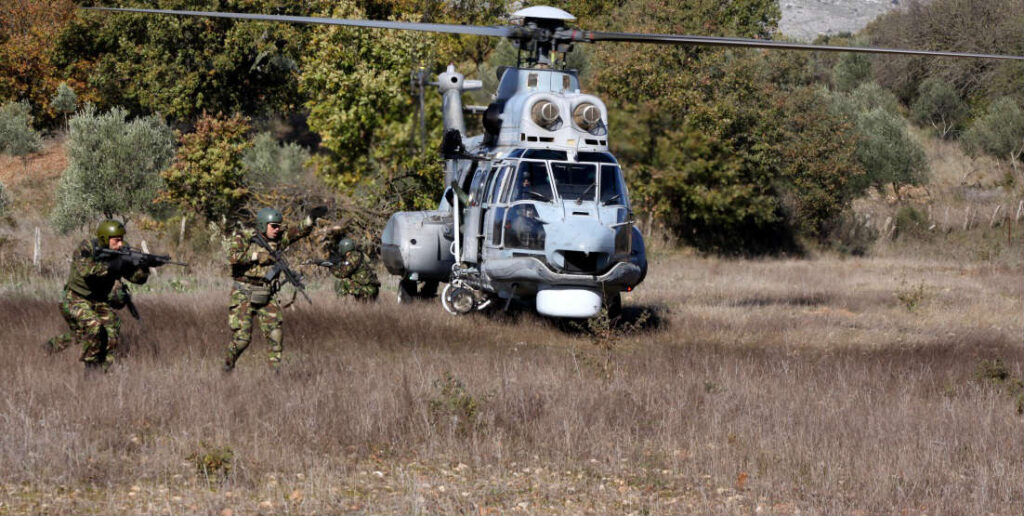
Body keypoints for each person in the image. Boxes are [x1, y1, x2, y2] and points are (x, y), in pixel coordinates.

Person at [224, 206, 321, 372]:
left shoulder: (277, 241)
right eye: (273, 226)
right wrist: (256, 257)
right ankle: (228, 364)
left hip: (267, 294)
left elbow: (296, 232)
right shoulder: (244, 237)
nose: (277, 230)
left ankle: (274, 375)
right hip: (244, 294)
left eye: (278, 226)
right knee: (242, 339)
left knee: (276, 335)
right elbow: (233, 257)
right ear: (262, 225)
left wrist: (311, 219)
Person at [45, 220, 150, 371]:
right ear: (104, 239)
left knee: (111, 326)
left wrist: (143, 267)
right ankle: (91, 368)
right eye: (116, 240)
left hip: (99, 300)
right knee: (94, 327)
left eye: (121, 239)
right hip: (75, 298)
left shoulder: (121, 252)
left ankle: (105, 367)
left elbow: (135, 279)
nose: (120, 244)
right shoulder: (88, 247)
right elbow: (85, 270)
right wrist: (113, 265)